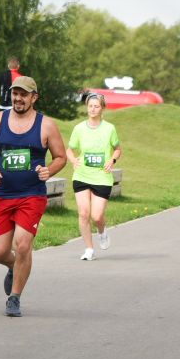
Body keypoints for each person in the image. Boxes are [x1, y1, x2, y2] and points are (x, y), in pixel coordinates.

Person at [0, 74, 66, 316]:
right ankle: (12, 266)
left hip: (31, 195)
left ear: (34, 98)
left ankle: (14, 298)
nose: (17, 98)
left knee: (23, 245)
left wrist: (50, 170)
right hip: (2, 194)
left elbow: (61, 157)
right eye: (15, 94)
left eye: (23, 95)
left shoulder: (46, 125)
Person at [67, 92, 121, 261]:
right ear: (87, 108)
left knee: (96, 216)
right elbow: (70, 149)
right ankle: (89, 249)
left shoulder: (109, 128)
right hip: (82, 175)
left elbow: (118, 148)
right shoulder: (79, 128)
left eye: (96, 106)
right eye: (90, 106)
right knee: (83, 213)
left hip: (102, 177)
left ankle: (102, 230)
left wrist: (112, 159)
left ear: (102, 108)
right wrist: (73, 160)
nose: (92, 109)